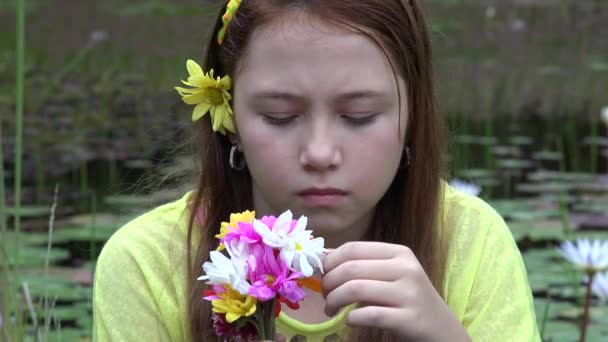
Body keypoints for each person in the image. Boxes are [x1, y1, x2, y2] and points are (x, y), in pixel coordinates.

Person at [92, 0, 540, 341]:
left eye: (360, 116)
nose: (321, 153)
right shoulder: (150, 265)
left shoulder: (469, 242)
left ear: (413, 118)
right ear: (228, 123)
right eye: (280, 117)